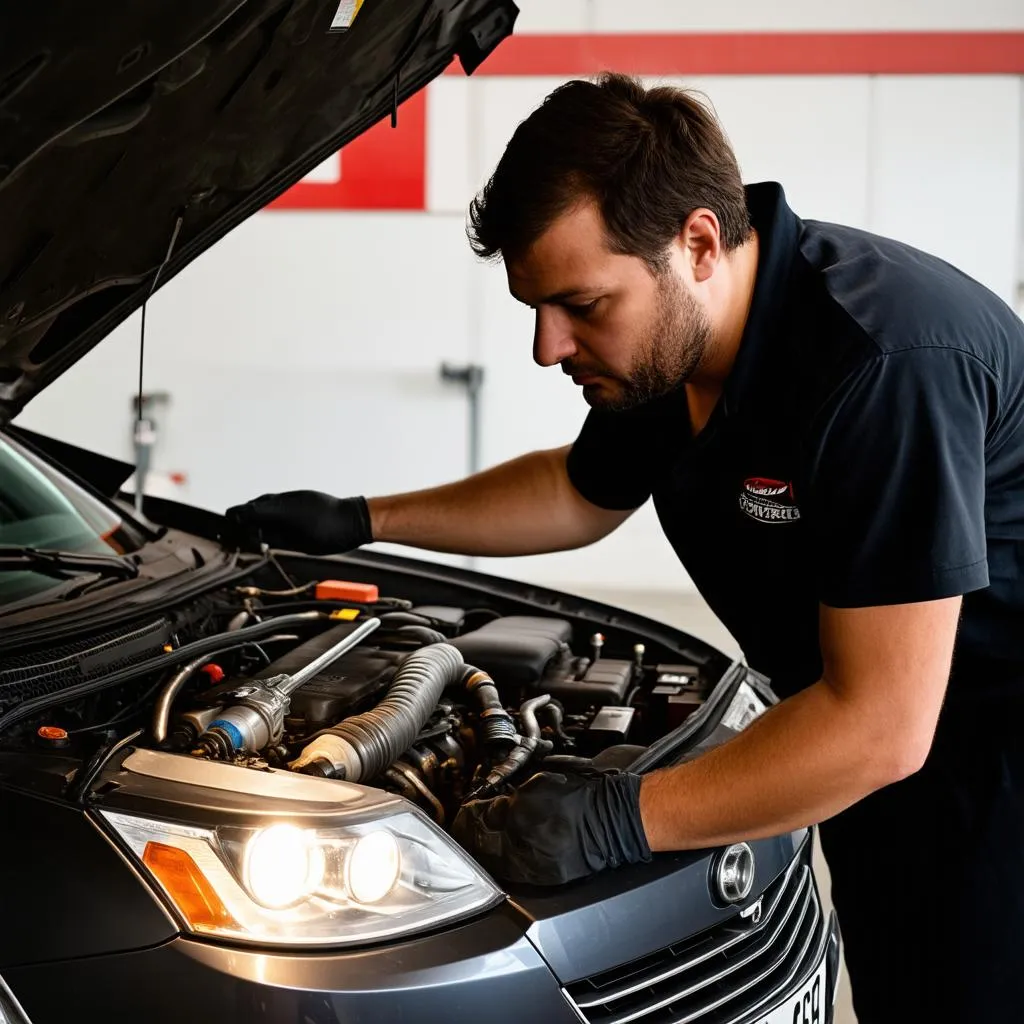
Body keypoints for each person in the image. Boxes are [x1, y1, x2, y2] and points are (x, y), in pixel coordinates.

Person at [226, 74, 1024, 1022]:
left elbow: (884, 725)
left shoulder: (882, 365)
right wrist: (360, 519)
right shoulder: (670, 353)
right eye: (535, 307)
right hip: (868, 751)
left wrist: (621, 819)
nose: (546, 346)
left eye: (580, 304)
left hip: (991, 770)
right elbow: (577, 491)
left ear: (695, 244)